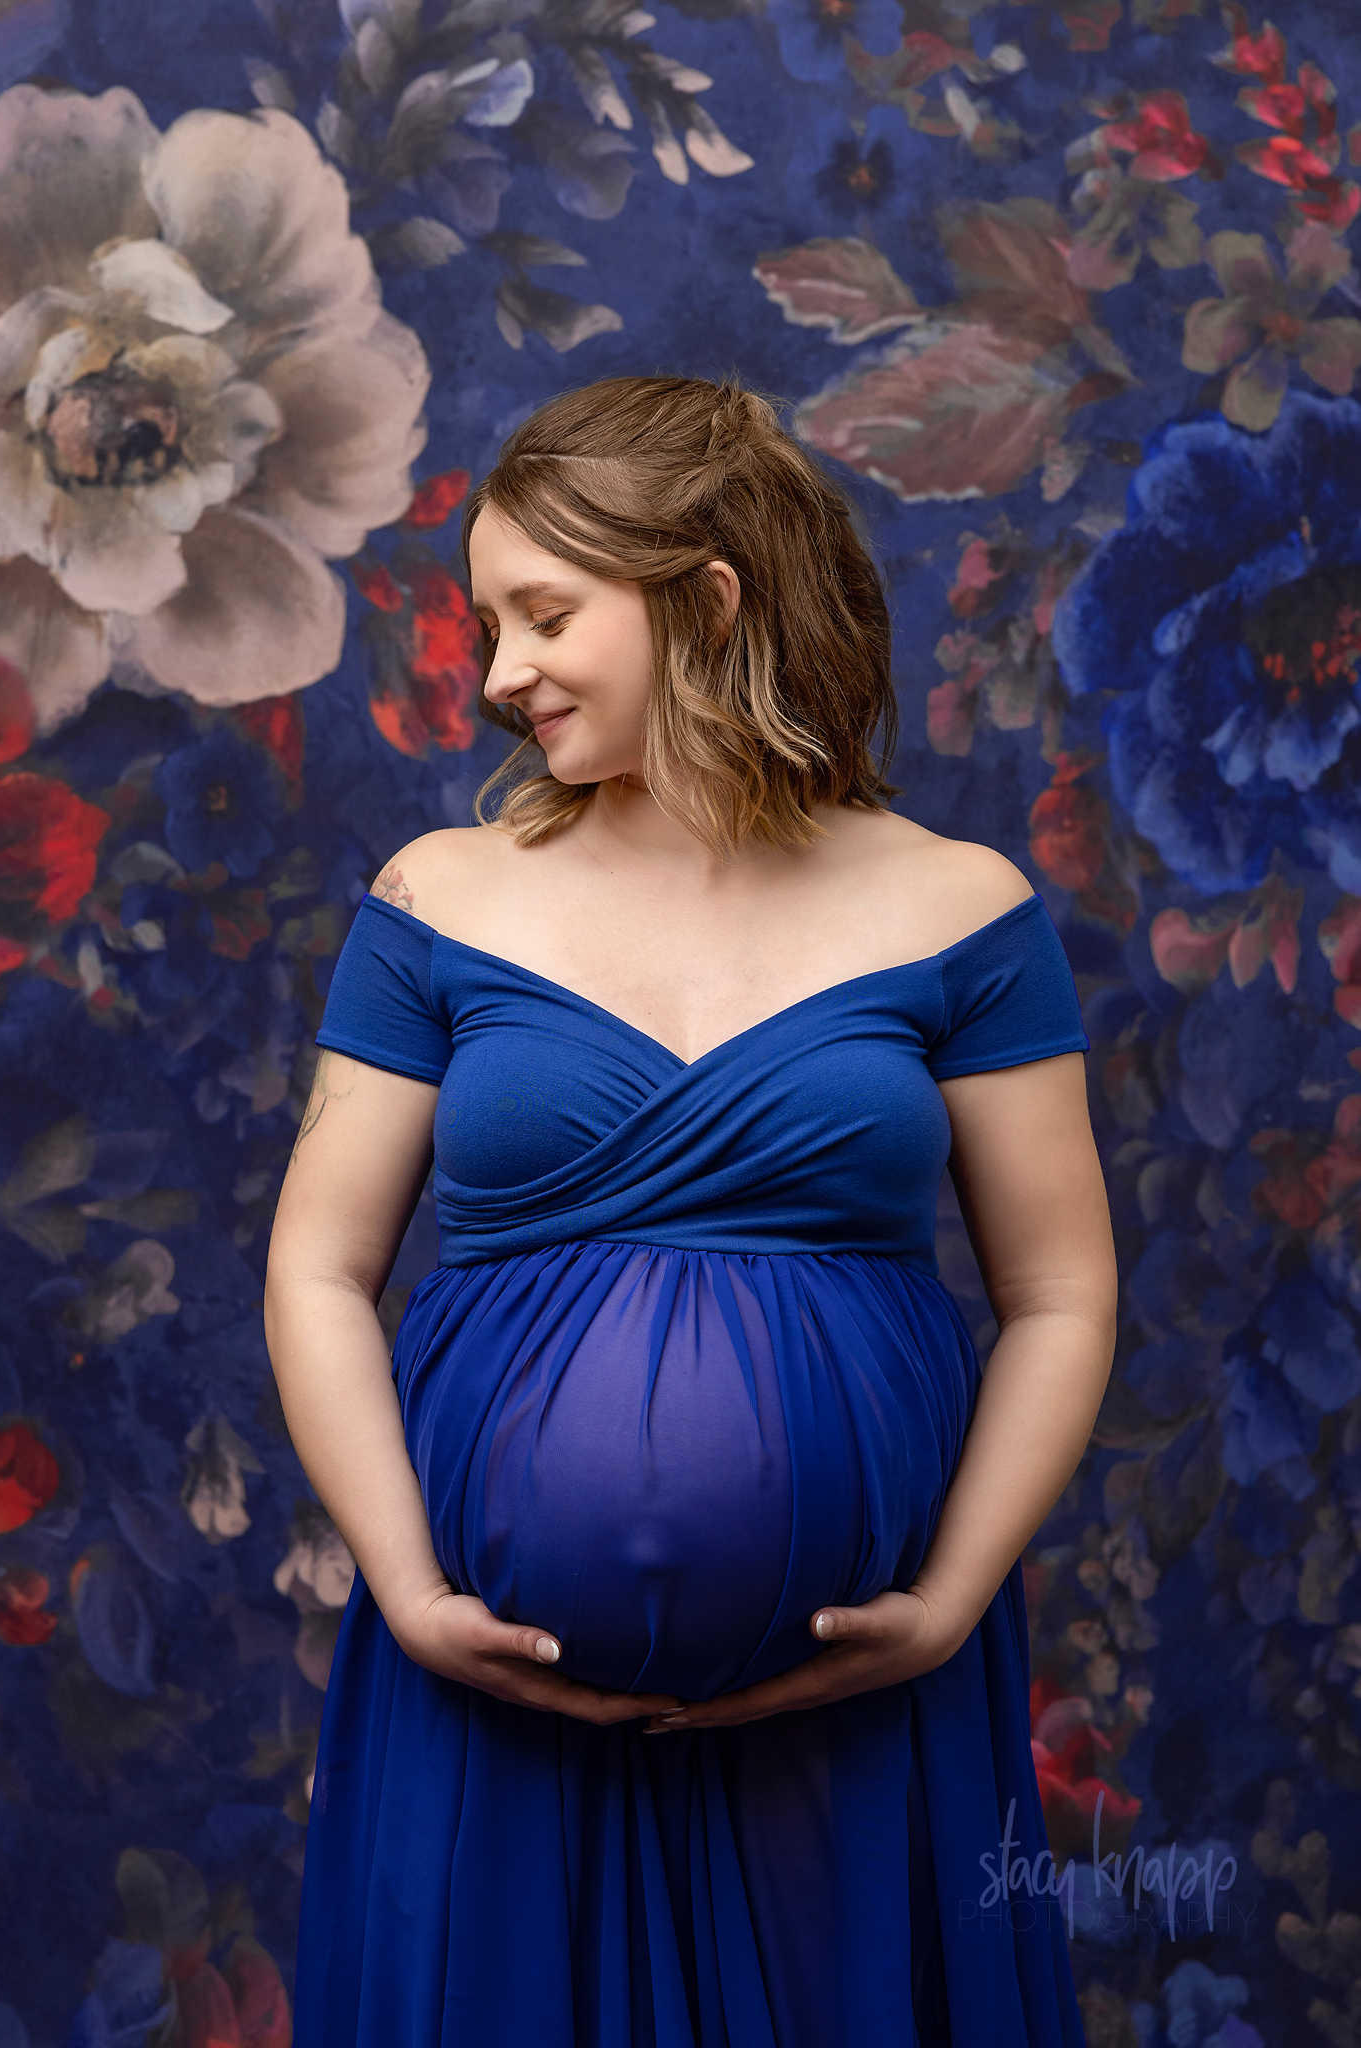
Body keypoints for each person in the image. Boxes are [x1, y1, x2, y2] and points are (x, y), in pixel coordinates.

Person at [266, 374, 1117, 2047]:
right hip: (486, 1704)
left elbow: (1062, 1292)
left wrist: (944, 1602)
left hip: (857, 1716)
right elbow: (318, 1262)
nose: (498, 675)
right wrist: (411, 1592)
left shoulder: (958, 908)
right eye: (485, 623)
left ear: (704, 598)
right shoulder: (441, 901)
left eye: (541, 615)